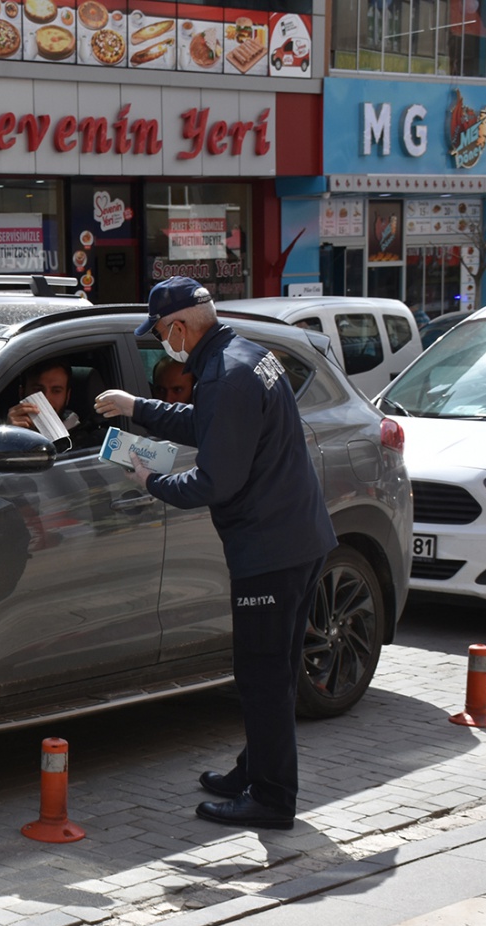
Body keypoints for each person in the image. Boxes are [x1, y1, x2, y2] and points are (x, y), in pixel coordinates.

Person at [94, 277, 337, 830]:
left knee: (264, 676)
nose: (162, 345)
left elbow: (213, 482)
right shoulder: (243, 354)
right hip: (298, 537)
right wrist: (141, 407)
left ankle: (271, 797)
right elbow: (211, 425)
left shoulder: (224, 375)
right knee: (272, 668)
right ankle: (253, 770)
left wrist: (150, 480)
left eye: (159, 335)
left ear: (179, 326)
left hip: (270, 550)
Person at [5, 360, 105, 449]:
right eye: (37, 390)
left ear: (67, 396)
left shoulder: (91, 441)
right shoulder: (4, 430)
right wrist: (8, 437)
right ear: (21, 393)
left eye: (56, 391)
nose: (46, 399)